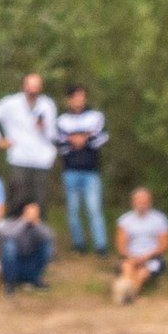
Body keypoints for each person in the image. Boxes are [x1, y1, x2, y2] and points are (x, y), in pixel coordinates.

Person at [0, 73, 60, 214]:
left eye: (36, 86)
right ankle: (13, 233)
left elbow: (53, 135)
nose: (33, 90)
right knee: (18, 199)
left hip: (42, 160)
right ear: (23, 86)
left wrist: (44, 127)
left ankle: (37, 235)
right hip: (19, 158)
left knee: (40, 202)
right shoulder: (11, 103)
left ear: (41, 88)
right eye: (30, 86)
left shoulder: (47, 104)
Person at [55, 85, 109, 254]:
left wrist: (84, 139)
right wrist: (74, 140)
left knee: (94, 208)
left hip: (91, 170)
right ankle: (78, 245)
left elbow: (102, 136)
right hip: (70, 169)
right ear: (68, 100)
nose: (79, 100)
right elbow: (59, 141)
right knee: (73, 210)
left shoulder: (96, 116)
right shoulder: (61, 120)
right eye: (75, 97)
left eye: (81, 96)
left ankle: (101, 245)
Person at [112, 187, 168, 305]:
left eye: (144, 201)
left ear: (150, 202)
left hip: (153, 256)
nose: (142, 204)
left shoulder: (160, 219)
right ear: (133, 202)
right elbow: (121, 246)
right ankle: (128, 296)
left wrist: (147, 256)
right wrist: (131, 256)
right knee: (127, 267)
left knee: (142, 273)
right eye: (139, 201)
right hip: (130, 255)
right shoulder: (124, 220)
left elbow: (164, 245)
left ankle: (125, 295)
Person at [0, 200, 55, 294]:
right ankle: (10, 283)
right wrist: (24, 221)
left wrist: (37, 225)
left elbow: (49, 237)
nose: (33, 215)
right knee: (9, 246)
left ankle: (35, 278)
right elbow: (8, 235)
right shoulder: (11, 222)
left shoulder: (38, 225)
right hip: (15, 265)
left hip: (31, 263)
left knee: (46, 245)